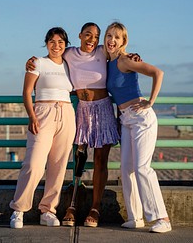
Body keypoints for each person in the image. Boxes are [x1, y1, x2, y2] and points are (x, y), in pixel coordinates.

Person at [26, 22, 139, 228]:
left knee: (100, 160)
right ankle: (72, 205)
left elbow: (118, 51)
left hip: (103, 109)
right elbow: (54, 53)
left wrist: (133, 56)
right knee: (78, 157)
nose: (92, 40)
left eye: (96, 36)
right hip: (82, 110)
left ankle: (95, 208)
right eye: (88, 35)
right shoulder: (69, 53)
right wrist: (33, 61)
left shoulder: (102, 51)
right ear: (80, 35)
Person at [105, 22, 172, 233]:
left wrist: (150, 101)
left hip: (141, 118)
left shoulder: (125, 60)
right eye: (109, 36)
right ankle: (136, 218)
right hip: (126, 120)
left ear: (124, 41)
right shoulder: (108, 61)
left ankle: (162, 218)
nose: (112, 40)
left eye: (117, 37)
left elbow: (157, 73)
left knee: (142, 168)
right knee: (126, 169)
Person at [9, 27, 76, 228]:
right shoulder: (37, 62)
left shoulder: (69, 64)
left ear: (66, 44)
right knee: (34, 163)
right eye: (52, 41)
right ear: (46, 43)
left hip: (66, 114)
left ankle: (48, 210)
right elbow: (27, 92)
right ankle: (18, 209)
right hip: (43, 113)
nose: (57, 46)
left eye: (61, 42)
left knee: (58, 165)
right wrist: (32, 116)